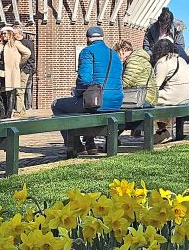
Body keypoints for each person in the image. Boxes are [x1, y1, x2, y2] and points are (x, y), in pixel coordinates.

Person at [52, 26, 122, 157]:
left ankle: (75, 145)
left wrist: (77, 92)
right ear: (102, 38)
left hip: (98, 102)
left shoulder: (87, 52)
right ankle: (90, 144)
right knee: (86, 104)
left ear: (88, 39)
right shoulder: (115, 55)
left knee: (57, 105)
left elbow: (84, 79)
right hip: (116, 103)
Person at [0, 27, 31, 118]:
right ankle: (2, 111)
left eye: (5, 33)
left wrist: (18, 64)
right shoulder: (2, 44)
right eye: (2, 33)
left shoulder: (15, 43)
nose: (3, 35)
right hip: (0, 72)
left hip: (11, 72)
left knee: (10, 93)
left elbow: (27, 53)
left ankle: (8, 114)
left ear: (10, 33)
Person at [151, 38, 189, 142]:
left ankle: (162, 131)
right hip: (185, 97)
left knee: (150, 99)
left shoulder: (163, 62)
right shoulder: (181, 60)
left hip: (174, 97)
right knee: (162, 96)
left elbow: (155, 86)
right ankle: (165, 131)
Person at [119, 40, 154, 108]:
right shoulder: (135, 59)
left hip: (143, 99)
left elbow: (126, 82)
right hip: (144, 97)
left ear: (123, 50)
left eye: (118, 53)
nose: (119, 57)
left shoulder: (134, 60)